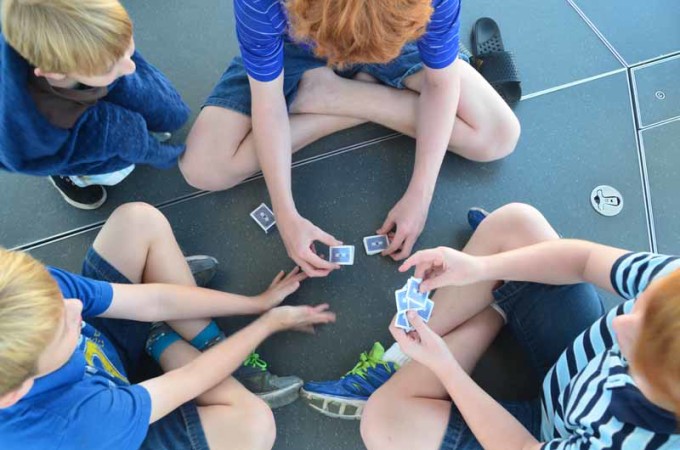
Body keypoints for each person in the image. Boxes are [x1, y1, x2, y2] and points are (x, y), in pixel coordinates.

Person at [180, 0, 520, 276]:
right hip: (295, 45)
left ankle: (334, 95)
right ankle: (352, 93)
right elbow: (266, 101)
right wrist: (286, 215)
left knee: (498, 135)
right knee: (202, 167)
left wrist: (420, 195)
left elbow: (441, 83)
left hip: (398, 41)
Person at [0, 202, 335, 450]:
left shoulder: (24, 293)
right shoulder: (76, 424)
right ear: (16, 391)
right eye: (61, 329)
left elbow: (154, 301)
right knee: (253, 426)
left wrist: (256, 302)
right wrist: (266, 323)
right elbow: (190, 379)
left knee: (137, 221)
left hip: (105, 373)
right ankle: (159, 338)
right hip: (114, 428)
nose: (75, 307)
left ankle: (176, 336)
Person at [355, 203, 680, 449]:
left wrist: (446, 367)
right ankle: (404, 352)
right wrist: (480, 268)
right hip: (572, 356)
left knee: (384, 422)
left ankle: (490, 310)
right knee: (517, 222)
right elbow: (585, 260)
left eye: (635, 350)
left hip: (542, 433)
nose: (622, 322)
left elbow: (523, 446)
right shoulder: (673, 283)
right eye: (643, 305)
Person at [0, 0, 190, 210]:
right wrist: (155, 152)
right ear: (54, 72)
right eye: (109, 66)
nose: (130, 66)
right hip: (57, 144)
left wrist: (113, 62)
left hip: (80, 81)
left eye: (127, 45)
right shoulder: (31, 131)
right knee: (116, 171)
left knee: (151, 103)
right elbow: (114, 136)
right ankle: (70, 176)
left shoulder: (83, 49)